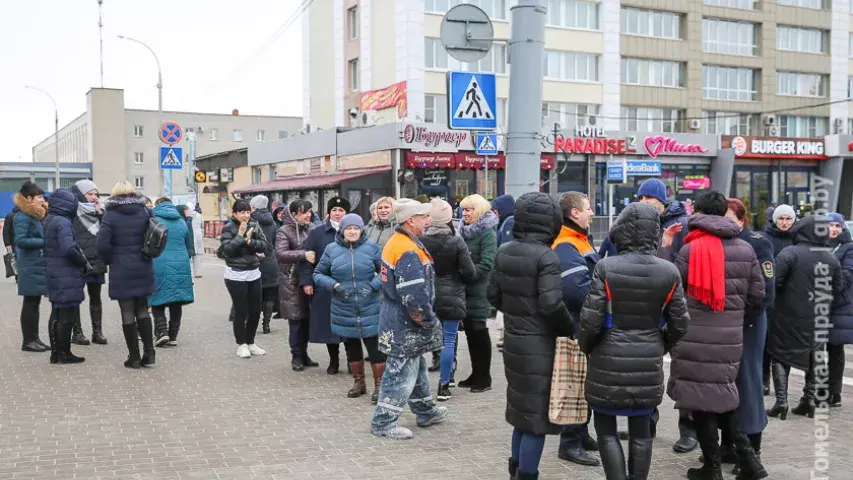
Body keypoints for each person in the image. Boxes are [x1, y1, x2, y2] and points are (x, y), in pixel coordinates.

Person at [579, 202, 689, 480]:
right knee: (642, 433)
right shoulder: (668, 271)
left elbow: (590, 320)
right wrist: (660, 343)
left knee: (605, 432)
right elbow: (680, 323)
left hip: (606, 358)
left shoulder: (606, 267)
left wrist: (589, 346)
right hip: (648, 359)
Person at [662, 191, 766, 480]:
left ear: (697, 212)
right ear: (722, 213)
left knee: (701, 401)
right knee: (724, 395)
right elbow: (758, 296)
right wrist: (735, 319)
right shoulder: (745, 249)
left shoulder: (689, 249)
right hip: (730, 337)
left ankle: (713, 467)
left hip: (694, 337)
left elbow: (669, 291)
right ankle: (751, 463)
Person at [487, 192, 573, 480]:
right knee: (536, 419)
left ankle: (514, 468)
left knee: (521, 411)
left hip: (514, 340)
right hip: (541, 345)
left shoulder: (505, 250)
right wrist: (568, 328)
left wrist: (516, 313)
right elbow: (551, 304)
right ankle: (526, 474)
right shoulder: (547, 256)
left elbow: (493, 295)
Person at [370, 198, 447, 440]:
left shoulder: (400, 242)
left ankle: (425, 410)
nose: (428, 221)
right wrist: (428, 321)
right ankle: (383, 422)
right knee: (400, 373)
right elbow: (414, 297)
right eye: (424, 217)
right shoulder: (407, 250)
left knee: (416, 366)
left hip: (398, 319)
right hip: (405, 323)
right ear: (410, 220)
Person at [766, 215, 842, 421]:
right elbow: (837, 288)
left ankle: (781, 401)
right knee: (814, 355)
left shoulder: (789, 253)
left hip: (787, 314)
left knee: (780, 354)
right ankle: (808, 400)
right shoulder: (830, 258)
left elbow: (774, 281)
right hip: (818, 317)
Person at [721, 198, 775, 473]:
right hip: (726, 323)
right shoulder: (719, 241)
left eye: (730, 218)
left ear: (742, 220)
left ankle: (753, 450)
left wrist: (745, 321)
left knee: (749, 381)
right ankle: (729, 445)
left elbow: (767, 291)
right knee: (727, 382)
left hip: (750, 322)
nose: (725, 223)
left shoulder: (758, 242)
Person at [550, 191, 601, 467]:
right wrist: (603, 303)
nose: (592, 213)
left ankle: (581, 433)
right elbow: (576, 290)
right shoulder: (566, 245)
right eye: (588, 208)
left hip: (581, 323)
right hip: (575, 325)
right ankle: (569, 443)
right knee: (575, 385)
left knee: (584, 382)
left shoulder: (579, 240)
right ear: (574, 213)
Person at [313, 213, 385, 402]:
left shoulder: (372, 248)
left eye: (356, 228)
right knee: (352, 345)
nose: (352, 232)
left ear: (361, 230)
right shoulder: (331, 249)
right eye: (348, 228)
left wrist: (372, 286)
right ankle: (359, 383)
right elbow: (318, 274)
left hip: (370, 304)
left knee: (375, 346)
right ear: (342, 230)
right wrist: (334, 285)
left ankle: (380, 385)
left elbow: (385, 272)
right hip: (343, 306)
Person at [421, 198, 476, 402]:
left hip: (428, 295)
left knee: (424, 341)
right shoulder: (456, 241)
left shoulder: (422, 239)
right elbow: (470, 272)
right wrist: (458, 278)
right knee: (449, 341)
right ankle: (444, 385)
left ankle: (420, 388)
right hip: (452, 294)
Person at [97, 181, 156, 368]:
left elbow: (102, 244)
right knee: (142, 308)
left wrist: (109, 260)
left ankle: (134, 356)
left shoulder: (110, 215)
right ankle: (150, 352)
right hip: (143, 264)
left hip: (121, 267)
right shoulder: (144, 211)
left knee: (127, 311)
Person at [300, 197, 350, 374]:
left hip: (349, 285)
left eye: (341, 210)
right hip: (325, 286)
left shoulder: (353, 231)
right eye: (334, 210)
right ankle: (334, 360)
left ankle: (353, 360)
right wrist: (306, 281)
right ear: (329, 212)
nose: (337, 213)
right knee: (330, 326)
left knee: (350, 324)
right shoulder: (317, 233)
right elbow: (308, 259)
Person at [43, 188, 92, 365]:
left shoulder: (49, 219)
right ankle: (64, 353)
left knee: (56, 311)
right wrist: (83, 263)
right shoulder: (63, 222)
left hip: (54, 271)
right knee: (66, 313)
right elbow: (68, 248)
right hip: (65, 272)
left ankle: (56, 353)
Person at [457, 194, 498, 393]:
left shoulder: (487, 233)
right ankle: (475, 374)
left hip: (480, 289)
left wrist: (470, 275)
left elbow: (488, 262)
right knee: (471, 334)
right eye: (463, 210)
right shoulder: (463, 232)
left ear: (479, 210)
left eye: (468, 210)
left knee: (479, 331)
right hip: (466, 289)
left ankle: (484, 378)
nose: (464, 213)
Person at [219, 200, 269, 359]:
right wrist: (240, 235)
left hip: (253, 272)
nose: (245, 215)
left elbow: (264, 245)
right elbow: (227, 250)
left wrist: (250, 241)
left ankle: (251, 342)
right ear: (234, 214)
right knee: (241, 311)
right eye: (241, 212)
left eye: (247, 212)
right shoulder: (228, 227)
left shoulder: (254, 225)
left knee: (255, 311)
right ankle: (241, 344)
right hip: (235, 274)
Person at [276, 200, 318, 371]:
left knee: (307, 320)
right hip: (291, 281)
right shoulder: (284, 231)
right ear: (293, 215)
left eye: (309, 211)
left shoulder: (312, 228)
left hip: (309, 280)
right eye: (303, 212)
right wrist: (303, 254)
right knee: (296, 321)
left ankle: (304, 353)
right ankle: (296, 356)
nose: (308, 215)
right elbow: (281, 254)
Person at [148, 198, 194, 347]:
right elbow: (189, 244)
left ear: (158, 206)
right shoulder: (182, 222)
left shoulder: (153, 220)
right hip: (181, 262)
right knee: (176, 300)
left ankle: (161, 332)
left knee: (158, 297)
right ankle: (173, 335)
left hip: (159, 261)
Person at [761, 203, 796, 396]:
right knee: (766, 343)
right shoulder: (766, 239)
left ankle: (782, 385)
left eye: (788, 219)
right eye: (781, 219)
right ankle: (764, 380)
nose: (784, 222)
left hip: (790, 298)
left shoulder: (797, 239)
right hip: (770, 297)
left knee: (784, 344)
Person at [13, 180, 50, 352]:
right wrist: (44, 242)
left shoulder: (35, 215)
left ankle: (35, 338)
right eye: (40, 197)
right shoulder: (22, 216)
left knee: (35, 303)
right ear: (29, 198)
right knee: (30, 303)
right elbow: (20, 241)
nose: (43, 200)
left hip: (36, 264)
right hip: (29, 265)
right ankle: (28, 340)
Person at [70, 179, 108, 346]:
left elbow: (108, 230)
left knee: (96, 297)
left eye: (95, 194)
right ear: (80, 195)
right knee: (76, 298)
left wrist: (101, 213)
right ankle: (77, 333)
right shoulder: (72, 211)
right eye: (90, 194)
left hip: (97, 259)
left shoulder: (100, 211)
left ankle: (97, 332)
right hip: (78, 260)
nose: (93, 197)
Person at [828, 213, 853, 408]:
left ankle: (834, 393)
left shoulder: (848, 248)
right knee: (818, 350)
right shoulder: (819, 245)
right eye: (831, 225)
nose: (834, 229)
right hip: (820, 306)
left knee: (835, 349)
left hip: (838, 306)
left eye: (838, 225)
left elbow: (846, 277)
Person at [250, 195, 279, 335]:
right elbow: (274, 242)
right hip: (271, 261)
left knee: (254, 294)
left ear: (254, 206)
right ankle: (266, 324)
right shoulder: (273, 222)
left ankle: (252, 324)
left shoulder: (251, 221)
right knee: (269, 295)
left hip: (255, 261)